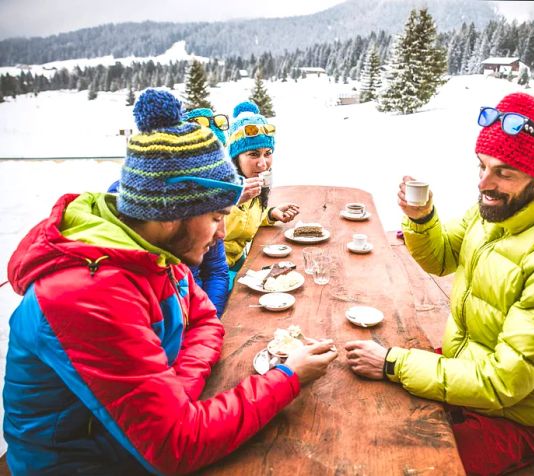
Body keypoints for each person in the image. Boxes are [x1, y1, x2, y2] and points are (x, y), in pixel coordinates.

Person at [3, 89, 337, 475]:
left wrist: (175, 390)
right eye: (215, 217)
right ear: (169, 215)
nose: (222, 233)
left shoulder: (155, 254)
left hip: (128, 444)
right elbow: (176, 446)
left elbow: (207, 319)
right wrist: (286, 378)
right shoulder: (87, 294)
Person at [345, 92, 534, 475]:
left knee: (403, 465)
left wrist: (394, 364)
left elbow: (505, 381)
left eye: (504, 172)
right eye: (482, 166)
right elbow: (441, 258)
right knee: (358, 405)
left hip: (513, 418)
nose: (485, 182)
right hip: (464, 370)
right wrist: (421, 219)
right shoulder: (501, 207)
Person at [106, 107, 237, 318]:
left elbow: (204, 307)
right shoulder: (109, 293)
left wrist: (210, 320)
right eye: (216, 218)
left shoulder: (170, 262)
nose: (221, 233)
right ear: (171, 211)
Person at [223, 101, 299, 278]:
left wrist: (271, 214)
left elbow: (245, 220)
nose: (263, 163)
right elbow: (205, 231)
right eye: (253, 154)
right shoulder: (220, 187)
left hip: (236, 262)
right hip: (211, 272)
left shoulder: (254, 184)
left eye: (267, 153)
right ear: (235, 158)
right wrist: (232, 201)